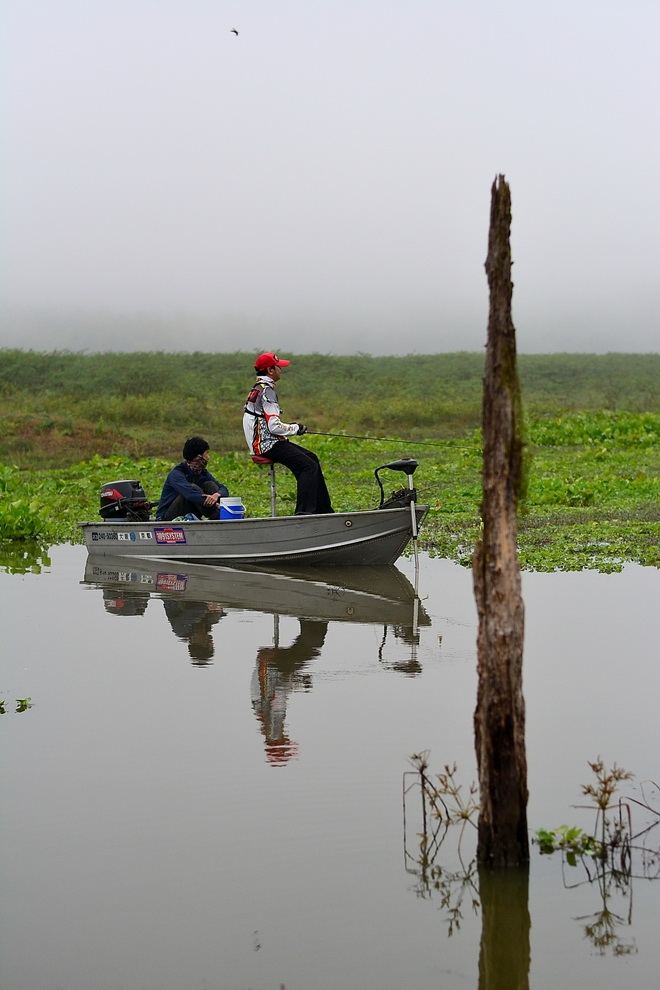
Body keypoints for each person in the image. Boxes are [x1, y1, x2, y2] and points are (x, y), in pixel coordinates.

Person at [243, 352, 333, 515]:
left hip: (266, 441)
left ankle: (324, 510)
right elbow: (274, 427)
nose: (281, 370)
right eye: (278, 367)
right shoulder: (267, 392)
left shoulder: (258, 388)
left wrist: (290, 427)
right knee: (308, 466)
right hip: (267, 444)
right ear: (270, 370)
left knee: (312, 458)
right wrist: (295, 429)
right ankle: (304, 514)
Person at [156, 436, 229, 521]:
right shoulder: (177, 474)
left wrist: (216, 495)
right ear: (199, 457)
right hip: (167, 517)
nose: (208, 457)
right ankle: (218, 516)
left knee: (210, 485)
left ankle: (218, 517)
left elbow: (223, 489)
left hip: (191, 511)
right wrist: (214, 503)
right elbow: (190, 494)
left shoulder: (202, 473)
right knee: (193, 488)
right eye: (207, 453)